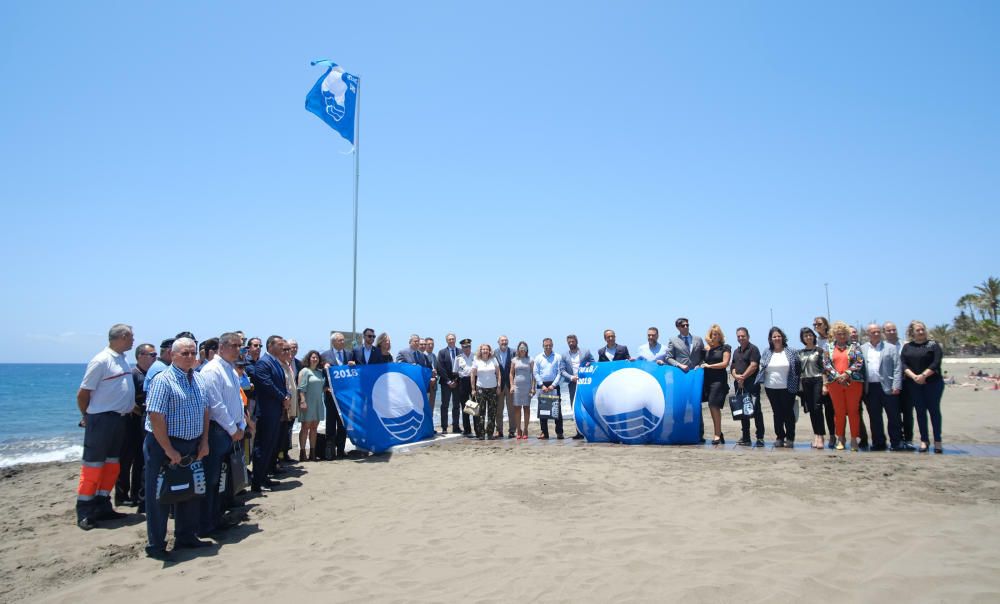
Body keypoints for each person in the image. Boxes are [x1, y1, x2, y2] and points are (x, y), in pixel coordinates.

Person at [143, 337, 212, 560]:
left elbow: (205, 411)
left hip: (193, 443)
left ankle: (186, 536)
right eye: (185, 353)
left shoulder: (200, 379)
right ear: (172, 356)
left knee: (190, 492)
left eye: (193, 353)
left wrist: (204, 441)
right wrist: (168, 449)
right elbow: (155, 416)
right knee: (159, 495)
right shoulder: (163, 380)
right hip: (164, 445)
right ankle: (156, 545)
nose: (190, 357)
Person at [75, 324, 136, 530]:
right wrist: (88, 416)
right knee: (93, 465)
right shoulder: (101, 360)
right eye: (131, 337)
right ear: (123, 336)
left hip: (119, 420)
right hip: (101, 419)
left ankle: (103, 505)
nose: (133, 340)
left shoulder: (122, 359)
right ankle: (85, 510)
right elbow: (83, 393)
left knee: (112, 464)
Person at [198, 332, 247, 537]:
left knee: (222, 478)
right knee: (211, 479)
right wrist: (233, 428)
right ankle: (206, 523)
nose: (238, 350)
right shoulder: (212, 370)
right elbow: (215, 405)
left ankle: (216, 517)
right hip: (218, 431)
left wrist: (242, 424)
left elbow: (236, 400)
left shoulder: (230, 369)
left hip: (231, 430)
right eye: (234, 346)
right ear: (222, 346)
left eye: (239, 346)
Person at [249, 335, 291, 493]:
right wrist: (283, 397)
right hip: (267, 411)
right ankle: (257, 483)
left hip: (276, 410)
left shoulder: (276, 362)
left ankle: (264, 476)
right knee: (263, 446)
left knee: (271, 446)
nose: (283, 347)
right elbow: (267, 384)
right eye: (280, 344)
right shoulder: (263, 363)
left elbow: (282, 383)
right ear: (270, 346)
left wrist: (287, 396)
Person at [117, 342, 154, 508]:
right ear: (140, 356)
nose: (154, 358)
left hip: (143, 422)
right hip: (131, 422)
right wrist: (142, 412)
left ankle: (137, 493)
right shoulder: (133, 374)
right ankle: (122, 494)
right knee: (127, 460)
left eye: (155, 355)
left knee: (141, 459)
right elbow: (127, 399)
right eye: (151, 355)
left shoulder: (151, 373)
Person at [901, 320, 945, 453]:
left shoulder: (933, 345)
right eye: (918, 330)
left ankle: (937, 441)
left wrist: (923, 376)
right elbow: (903, 364)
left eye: (922, 329)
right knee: (920, 412)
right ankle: (924, 440)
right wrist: (914, 377)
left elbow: (936, 363)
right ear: (912, 332)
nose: (921, 332)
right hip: (913, 384)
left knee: (934, 411)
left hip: (933, 383)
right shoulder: (907, 347)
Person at [823, 321, 865, 451]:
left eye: (844, 333)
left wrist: (846, 374)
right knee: (839, 412)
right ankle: (840, 438)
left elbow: (859, 362)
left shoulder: (855, 346)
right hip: (835, 384)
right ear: (834, 334)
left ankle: (854, 439)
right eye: (838, 333)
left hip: (853, 383)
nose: (841, 336)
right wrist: (837, 376)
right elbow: (826, 363)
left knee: (853, 411)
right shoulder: (828, 347)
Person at [756, 327, 800, 448]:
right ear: (770, 339)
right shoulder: (767, 352)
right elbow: (762, 366)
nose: (776, 338)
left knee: (788, 413)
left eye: (778, 336)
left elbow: (797, 367)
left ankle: (790, 438)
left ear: (782, 337)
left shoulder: (791, 351)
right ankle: (780, 437)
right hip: (771, 387)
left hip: (788, 387)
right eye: (774, 337)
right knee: (777, 413)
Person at [861, 323, 903, 451]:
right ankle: (878, 442)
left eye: (878, 331)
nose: (876, 334)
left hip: (888, 387)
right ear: (868, 334)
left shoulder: (890, 348)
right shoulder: (862, 348)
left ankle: (896, 442)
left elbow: (897, 367)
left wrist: (896, 385)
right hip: (871, 388)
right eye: (873, 332)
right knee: (875, 417)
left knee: (894, 416)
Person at [666, 317, 707, 441]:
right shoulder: (673, 340)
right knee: (679, 404)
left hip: (695, 376)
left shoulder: (698, 339)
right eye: (683, 325)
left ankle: (700, 434)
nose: (686, 327)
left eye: (687, 325)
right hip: (680, 376)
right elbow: (668, 357)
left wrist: (700, 364)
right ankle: (677, 432)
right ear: (678, 327)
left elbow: (704, 356)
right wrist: (679, 365)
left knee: (696, 405)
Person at [731, 328, 764, 447]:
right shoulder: (736, 351)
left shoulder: (753, 349)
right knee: (742, 412)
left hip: (752, 385)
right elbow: (732, 367)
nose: (740, 338)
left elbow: (754, 366)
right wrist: (736, 376)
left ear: (748, 336)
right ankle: (746, 437)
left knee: (756, 411)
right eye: (738, 336)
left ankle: (760, 437)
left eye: (743, 336)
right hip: (739, 385)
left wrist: (743, 377)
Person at [884, 321, 914, 450]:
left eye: (894, 329)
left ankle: (908, 439)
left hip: (906, 382)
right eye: (888, 330)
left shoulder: (905, 345)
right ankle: (896, 440)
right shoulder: (882, 346)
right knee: (893, 415)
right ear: (884, 332)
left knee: (907, 413)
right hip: (889, 385)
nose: (892, 332)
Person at [320, 332, 351, 459]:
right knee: (331, 422)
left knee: (343, 423)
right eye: (340, 340)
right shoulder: (324, 355)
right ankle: (330, 450)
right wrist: (324, 368)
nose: (342, 342)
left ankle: (341, 449)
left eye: (343, 340)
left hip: (345, 395)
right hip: (330, 395)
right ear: (333, 342)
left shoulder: (349, 354)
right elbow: (320, 374)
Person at [699, 324, 731, 445]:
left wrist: (710, 366)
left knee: (713, 405)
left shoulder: (725, 348)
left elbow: (725, 364)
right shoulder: (706, 349)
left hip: (719, 381)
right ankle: (719, 433)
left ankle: (717, 434)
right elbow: (700, 362)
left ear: (720, 335)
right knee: (710, 405)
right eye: (713, 334)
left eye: (717, 334)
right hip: (707, 380)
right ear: (710, 335)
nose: (715, 336)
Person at [797, 327, 828, 449]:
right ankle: (816, 435)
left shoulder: (820, 351)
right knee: (811, 409)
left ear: (813, 336)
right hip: (805, 381)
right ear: (802, 338)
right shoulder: (800, 353)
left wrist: (825, 384)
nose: (808, 337)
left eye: (810, 335)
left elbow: (824, 369)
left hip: (818, 380)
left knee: (817, 408)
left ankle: (821, 436)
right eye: (805, 336)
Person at [561, 334, 594, 439]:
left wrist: (589, 364)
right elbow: (562, 370)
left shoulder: (586, 351)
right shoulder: (564, 355)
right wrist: (571, 377)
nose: (571, 343)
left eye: (572, 341)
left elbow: (593, 362)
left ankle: (590, 430)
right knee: (575, 407)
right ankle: (579, 432)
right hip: (572, 384)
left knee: (587, 405)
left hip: (585, 383)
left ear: (576, 341)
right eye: (569, 342)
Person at [297, 350, 327, 460]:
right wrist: (303, 401)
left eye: (317, 357)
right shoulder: (305, 371)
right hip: (307, 402)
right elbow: (301, 388)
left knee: (314, 428)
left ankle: (313, 452)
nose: (315, 359)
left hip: (318, 402)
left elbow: (321, 387)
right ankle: (302, 452)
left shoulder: (320, 372)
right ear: (309, 359)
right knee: (305, 427)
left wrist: (327, 388)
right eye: (313, 357)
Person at [533, 338, 564, 439]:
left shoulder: (558, 357)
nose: (548, 347)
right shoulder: (538, 357)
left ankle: (559, 432)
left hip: (554, 385)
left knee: (557, 409)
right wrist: (541, 385)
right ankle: (544, 433)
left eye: (550, 345)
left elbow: (560, 372)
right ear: (543, 346)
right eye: (546, 345)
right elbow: (535, 372)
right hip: (542, 385)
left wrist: (553, 385)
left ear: (552, 345)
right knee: (543, 410)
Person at [813, 317, 837, 447]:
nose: (817, 326)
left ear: (826, 324)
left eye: (819, 324)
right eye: (815, 324)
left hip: (834, 376)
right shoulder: (815, 340)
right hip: (819, 378)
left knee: (832, 410)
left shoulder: (832, 338)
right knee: (819, 409)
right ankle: (823, 436)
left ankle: (835, 435)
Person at [470, 343, 501, 439]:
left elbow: (498, 373)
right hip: (480, 389)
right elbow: (472, 375)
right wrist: (473, 389)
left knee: (492, 412)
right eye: (483, 349)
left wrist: (499, 386)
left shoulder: (493, 359)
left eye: (487, 349)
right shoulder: (476, 360)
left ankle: (490, 433)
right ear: (480, 350)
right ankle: (481, 434)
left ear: (489, 351)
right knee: (480, 413)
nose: (485, 351)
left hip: (493, 389)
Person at [437, 333, 461, 434]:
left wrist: (455, 380)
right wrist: (448, 381)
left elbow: (462, 367)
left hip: (457, 383)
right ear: (446, 341)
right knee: (445, 405)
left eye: (453, 339)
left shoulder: (460, 351)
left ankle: (456, 427)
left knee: (456, 405)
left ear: (455, 340)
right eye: (449, 339)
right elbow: (440, 368)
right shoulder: (442, 352)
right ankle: (444, 427)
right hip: (445, 383)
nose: (451, 341)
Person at [511, 341, 535, 439]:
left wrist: (533, 387)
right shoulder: (514, 360)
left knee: (526, 408)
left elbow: (533, 374)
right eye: (521, 348)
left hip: (527, 387)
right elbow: (511, 374)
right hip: (517, 387)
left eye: (524, 348)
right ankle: (518, 430)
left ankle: (525, 429)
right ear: (518, 349)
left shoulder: (530, 360)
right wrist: (512, 385)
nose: (522, 350)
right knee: (517, 409)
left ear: (526, 350)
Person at [494, 336, 515, 438]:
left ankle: (512, 431)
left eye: (506, 340)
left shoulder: (513, 352)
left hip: (510, 384)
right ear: (498, 342)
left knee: (511, 409)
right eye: (502, 341)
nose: (504, 342)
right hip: (499, 385)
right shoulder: (494, 353)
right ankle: (499, 430)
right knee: (499, 409)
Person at [454, 339, 476, 436]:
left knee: (475, 406)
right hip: (463, 382)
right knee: (465, 406)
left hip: (474, 381)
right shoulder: (458, 358)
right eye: (464, 347)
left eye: (468, 346)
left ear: (470, 347)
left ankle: (477, 428)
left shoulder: (475, 356)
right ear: (462, 348)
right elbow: (455, 371)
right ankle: (467, 429)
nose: (467, 348)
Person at [422, 337, 440, 414]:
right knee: (424, 407)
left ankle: (430, 424)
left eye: (432, 344)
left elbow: (437, 370)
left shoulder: (434, 356)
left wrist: (435, 378)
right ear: (425, 345)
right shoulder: (421, 356)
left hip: (433, 385)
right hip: (425, 385)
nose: (430, 346)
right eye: (429, 344)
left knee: (431, 407)